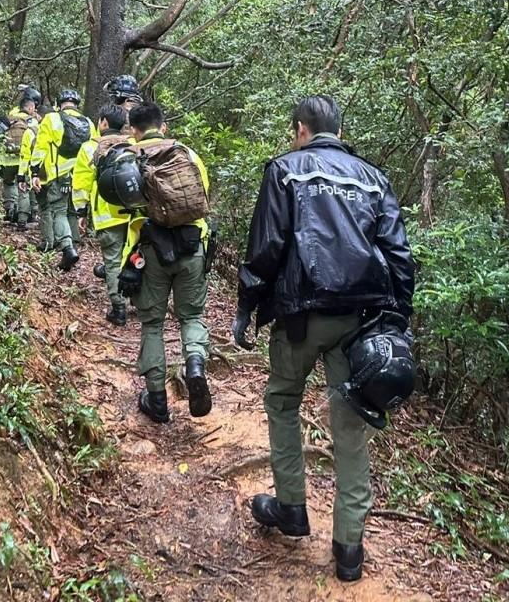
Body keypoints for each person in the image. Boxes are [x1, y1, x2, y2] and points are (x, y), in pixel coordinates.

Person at [232, 95, 415, 583]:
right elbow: (398, 256)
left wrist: (248, 303)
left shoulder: (286, 171)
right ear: (338, 129)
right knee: (351, 426)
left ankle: (291, 507)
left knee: (284, 401)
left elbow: (268, 246)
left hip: (299, 316)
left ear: (301, 129)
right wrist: (398, 320)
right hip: (359, 323)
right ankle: (349, 548)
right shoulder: (374, 178)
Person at [117, 102, 213, 423]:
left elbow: (120, 208)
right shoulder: (188, 154)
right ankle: (196, 365)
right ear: (164, 126)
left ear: (133, 129)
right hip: (193, 246)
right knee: (192, 316)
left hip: (150, 251)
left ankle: (156, 399)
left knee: (153, 324)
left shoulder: (128, 159)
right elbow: (203, 195)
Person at [24, 89, 97, 269]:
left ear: (59, 103)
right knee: (74, 211)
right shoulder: (89, 123)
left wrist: (34, 172)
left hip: (58, 175)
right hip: (80, 176)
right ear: (76, 104)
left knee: (59, 211)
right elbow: (95, 150)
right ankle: (76, 241)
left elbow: (40, 148)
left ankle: (67, 248)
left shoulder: (52, 119)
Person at [72, 104, 132, 326]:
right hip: (136, 214)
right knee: (137, 255)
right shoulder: (134, 144)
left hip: (108, 215)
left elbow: (81, 184)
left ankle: (118, 308)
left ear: (104, 122)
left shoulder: (91, 147)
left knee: (114, 260)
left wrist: (81, 212)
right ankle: (138, 299)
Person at [0, 89, 39, 228]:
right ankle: (23, 218)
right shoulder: (33, 121)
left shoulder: (9, 118)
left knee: (9, 183)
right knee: (25, 187)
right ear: (30, 107)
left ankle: (10, 209)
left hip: (7, 159)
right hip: (24, 160)